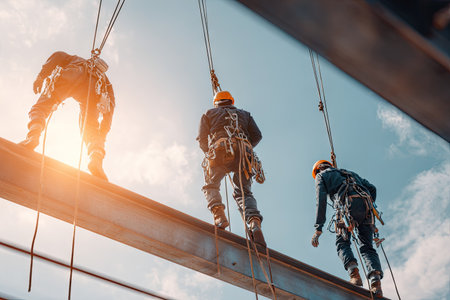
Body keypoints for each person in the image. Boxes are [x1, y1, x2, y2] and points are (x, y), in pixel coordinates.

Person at [19, 51, 115, 181]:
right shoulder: (105, 82)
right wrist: (103, 131)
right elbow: (111, 105)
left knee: (42, 107)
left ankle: (32, 137)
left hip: (74, 74)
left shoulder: (76, 59)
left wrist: (41, 76)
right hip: (95, 90)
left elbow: (57, 56)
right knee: (91, 130)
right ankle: (96, 160)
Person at [196, 90, 266, 246]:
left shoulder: (209, 113)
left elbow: (202, 139)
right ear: (231, 101)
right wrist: (246, 147)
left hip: (220, 152)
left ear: (216, 102)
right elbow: (257, 136)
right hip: (244, 154)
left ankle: (219, 215)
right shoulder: (245, 114)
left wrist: (209, 152)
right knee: (244, 192)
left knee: (211, 185)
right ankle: (254, 222)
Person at [311, 160, 383, 297]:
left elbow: (321, 201)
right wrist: (368, 206)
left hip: (346, 208)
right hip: (366, 209)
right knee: (367, 247)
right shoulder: (349, 173)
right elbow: (372, 188)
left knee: (342, 243)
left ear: (317, 170)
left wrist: (318, 228)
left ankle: (354, 274)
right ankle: (375, 282)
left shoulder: (321, 176)